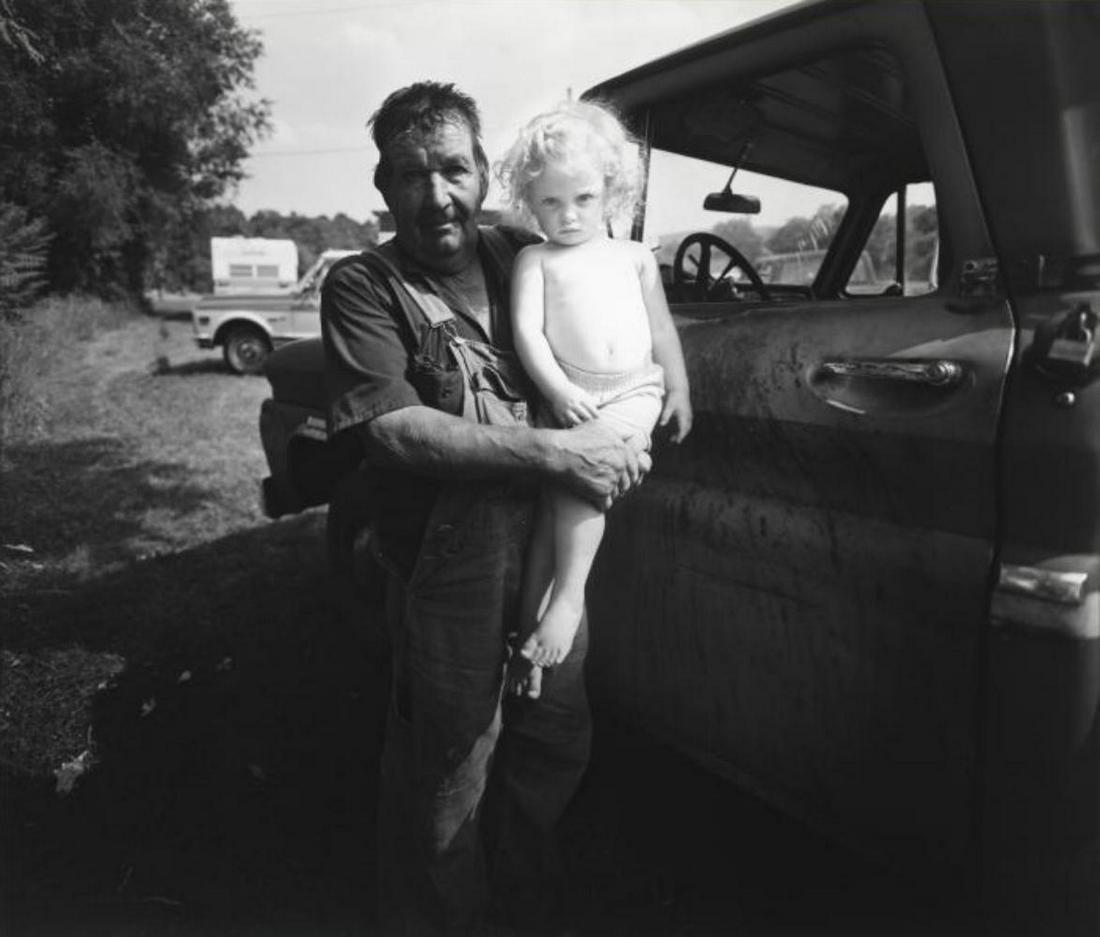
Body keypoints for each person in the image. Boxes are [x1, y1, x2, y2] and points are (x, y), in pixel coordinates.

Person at [320, 82, 649, 936]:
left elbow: (618, 309)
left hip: (545, 548)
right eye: (411, 175)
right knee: (451, 768)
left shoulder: (522, 252)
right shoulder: (364, 285)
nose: (437, 195)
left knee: (552, 740)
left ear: (482, 173)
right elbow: (394, 433)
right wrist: (556, 451)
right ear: (384, 186)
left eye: (454, 169)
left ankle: (529, 905)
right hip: (445, 564)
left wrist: (638, 408)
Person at [497, 101, 692, 697]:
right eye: (550, 203)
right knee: (551, 510)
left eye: (582, 199)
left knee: (579, 481)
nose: (569, 216)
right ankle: (525, 641)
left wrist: (680, 388)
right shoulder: (535, 259)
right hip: (572, 394)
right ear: (531, 204)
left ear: (610, 191)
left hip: (634, 390)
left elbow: (661, 332)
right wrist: (557, 390)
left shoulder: (634, 258)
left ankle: (570, 600)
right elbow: (528, 333)